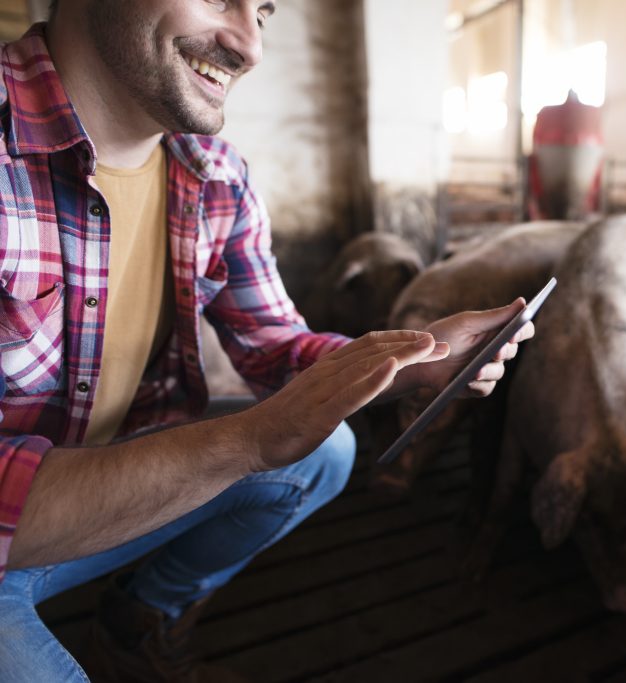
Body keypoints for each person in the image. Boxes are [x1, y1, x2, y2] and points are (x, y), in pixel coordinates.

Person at [0, 1, 533, 680]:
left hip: (109, 487)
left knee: (327, 445)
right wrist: (248, 440)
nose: (250, 44)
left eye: (265, 10)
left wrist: (416, 359)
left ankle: (137, 618)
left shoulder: (215, 176)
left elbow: (277, 347)